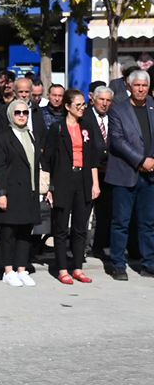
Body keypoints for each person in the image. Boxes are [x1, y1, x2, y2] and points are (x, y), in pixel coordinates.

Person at [43, 89, 100, 285]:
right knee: (60, 228)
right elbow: (47, 160)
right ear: (67, 106)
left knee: (80, 227)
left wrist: (95, 184)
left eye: (83, 104)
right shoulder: (57, 128)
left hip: (83, 180)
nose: (82, 108)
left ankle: (77, 267)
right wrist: (49, 187)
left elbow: (93, 158)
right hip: (62, 182)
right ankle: (62, 268)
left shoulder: (88, 127)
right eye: (78, 105)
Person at [105, 69, 154, 279]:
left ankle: (149, 263)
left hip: (150, 175)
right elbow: (117, 141)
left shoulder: (153, 106)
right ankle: (118, 264)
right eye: (137, 85)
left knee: (148, 223)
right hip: (125, 173)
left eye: (144, 85)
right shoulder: (118, 109)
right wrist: (141, 160)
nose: (141, 89)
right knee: (121, 222)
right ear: (129, 87)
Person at [0, 100, 41, 286]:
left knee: (25, 232)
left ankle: (21, 268)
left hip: (29, 192)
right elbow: (0, 168)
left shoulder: (30, 135)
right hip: (11, 191)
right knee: (8, 233)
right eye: (18, 112)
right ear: (11, 115)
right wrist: (1, 193)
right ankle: (8, 270)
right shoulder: (3, 138)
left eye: (25, 112)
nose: (22, 115)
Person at [81, 85, 114, 257]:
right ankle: (79, 247)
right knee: (84, 211)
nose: (105, 103)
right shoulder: (85, 117)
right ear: (94, 99)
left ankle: (99, 246)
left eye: (108, 100)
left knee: (104, 212)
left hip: (108, 172)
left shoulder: (114, 118)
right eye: (102, 99)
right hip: (88, 171)